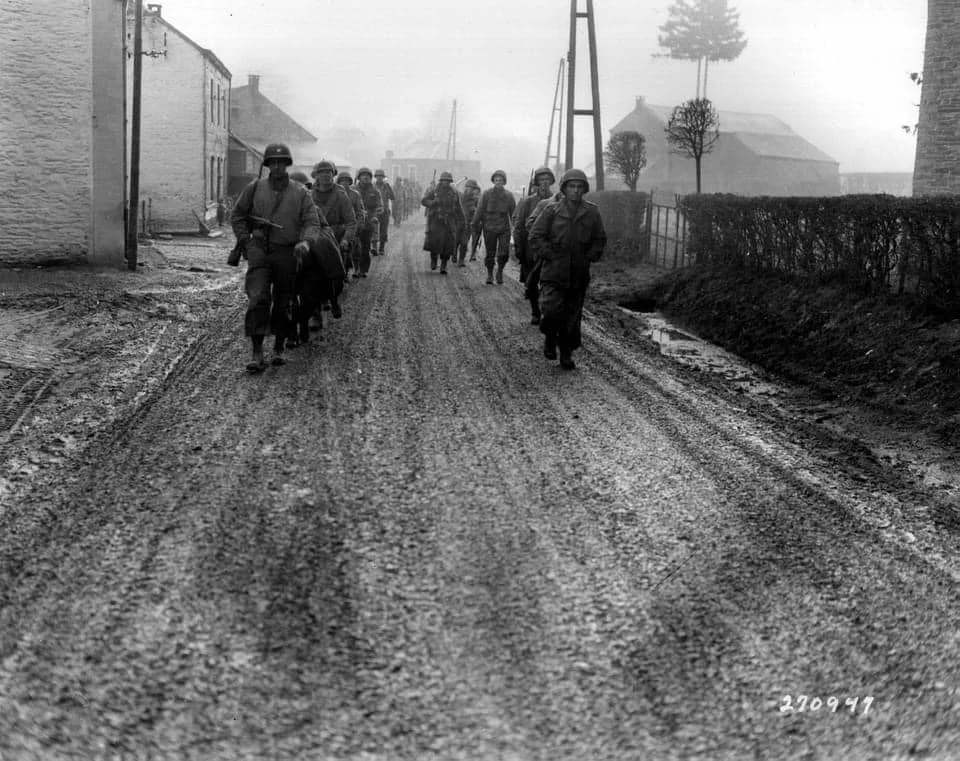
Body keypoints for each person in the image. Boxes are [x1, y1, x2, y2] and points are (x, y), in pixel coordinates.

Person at [230, 142, 320, 372]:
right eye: (273, 163)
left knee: (284, 300)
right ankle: (257, 351)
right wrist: (246, 241)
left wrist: (305, 242)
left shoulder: (301, 192)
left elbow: (312, 222)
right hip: (260, 249)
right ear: (268, 165)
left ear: (287, 165)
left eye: (282, 162)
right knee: (258, 297)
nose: (278, 167)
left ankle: (279, 346)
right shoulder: (254, 188)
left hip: (288, 251)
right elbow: (238, 215)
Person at [527, 168, 606, 371]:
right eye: (571, 186)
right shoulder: (551, 211)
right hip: (553, 271)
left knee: (572, 317)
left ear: (584, 190)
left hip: (578, 272)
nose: (576, 191)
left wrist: (590, 256)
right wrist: (550, 255)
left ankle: (566, 354)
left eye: (580, 187)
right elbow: (535, 236)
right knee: (551, 311)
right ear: (564, 188)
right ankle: (550, 336)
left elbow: (599, 239)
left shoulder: (591, 212)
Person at [302, 160, 356, 339]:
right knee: (311, 278)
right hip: (315, 237)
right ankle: (316, 313)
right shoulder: (308, 195)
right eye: (321, 172)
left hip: (336, 239)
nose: (325, 175)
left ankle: (333, 298)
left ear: (333, 175)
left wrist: (346, 239)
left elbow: (350, 221)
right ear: (315, 175)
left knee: (336, 276)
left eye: (328, 172)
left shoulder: (341, 195)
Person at [513, 167, 556, 324]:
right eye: (541, 180)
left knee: (549, 284)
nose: (544, 183)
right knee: (531, 283)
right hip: (530, 250)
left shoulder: (558, 200)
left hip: (550, 251)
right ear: (536, 183)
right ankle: (535, 311)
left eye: (547, 180)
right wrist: (519, 248)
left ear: (551, 182)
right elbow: (519, 227)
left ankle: (547, 311)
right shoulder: (527, 202)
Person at [472, 169, 516, 284]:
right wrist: (474, 223)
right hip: (489, 228)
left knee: (503, 253)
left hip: (504, 229)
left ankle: (500, 271)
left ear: (504, 182)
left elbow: (514, 214)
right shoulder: (486, 194)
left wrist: (516, 227)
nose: (498, 182)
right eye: (496, 180)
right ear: (493, 181)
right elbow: (480, 210)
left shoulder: (509, 196)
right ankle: (490, 274)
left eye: (501, 180)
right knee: (490, 253)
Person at [421, 171, 464, 274]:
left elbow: (458, 207)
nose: (446, 182)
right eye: (444, 180)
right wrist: (433, 203)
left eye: (448, 181)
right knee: (434, 242)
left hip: (449, 220)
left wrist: (462, 221)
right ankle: (434, 260)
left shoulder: (454, 192)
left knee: (448, 244)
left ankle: (444, 265)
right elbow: (423, 201)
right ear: (441, 181)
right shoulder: (434, 191)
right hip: (436, 219)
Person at [354, 167, 383, 277]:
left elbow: (380, 207)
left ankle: (363, 269)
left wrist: (374, 215)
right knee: (355, 247)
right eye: (363, 175)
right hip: (355, 222)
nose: (365, 177)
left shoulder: (375, 191)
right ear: (359, 177)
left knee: (365, 247)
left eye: (368, 175)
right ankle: (356, 268)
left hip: (368, 223)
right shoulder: (353, 190)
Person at [457, 178, 481, 266]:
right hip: (460, 222)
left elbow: (480, 210)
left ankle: (463, 258)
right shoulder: (461, 196)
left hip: (471, 223)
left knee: (467, 241)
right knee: (458, 241)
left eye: (470, 188)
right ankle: (456, 254)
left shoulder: (477, 199)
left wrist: (475, 211)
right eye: (467, 187)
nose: (468, 189)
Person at [373, 169, 395, 254]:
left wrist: (389, 190)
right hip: (375, 211)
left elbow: (393, 197)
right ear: (375, 177)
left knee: (383, 230)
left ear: (383, 177)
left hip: (385, 211)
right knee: (373, 229)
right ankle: (374, 247)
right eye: (378, 176)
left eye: (381, 176)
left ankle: (381, 248)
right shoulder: (372, 186)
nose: (379, 178)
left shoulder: (387, 186)